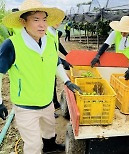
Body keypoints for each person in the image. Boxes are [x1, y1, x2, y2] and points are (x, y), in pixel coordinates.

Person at [0, 0, 81, 153]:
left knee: (49, 131)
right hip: (26, 106)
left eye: (44, 19)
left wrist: (67, 81)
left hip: (47, 102)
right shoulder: (12, 45)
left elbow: (55, 63)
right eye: (36, 20)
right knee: (34, 145)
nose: (42, 24)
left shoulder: (50, 42)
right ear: (23, 22)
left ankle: (50, 147)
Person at [91, 16, 129, 80]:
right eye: (121, 31)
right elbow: (106, 44)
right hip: (119, 63)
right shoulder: (115, 33)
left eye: (125, 31)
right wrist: (97, 56)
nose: (123, 33)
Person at [47, 25, 72, 114]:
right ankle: (49, 109)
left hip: (53, 62)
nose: (59, 22)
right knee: (47, 86)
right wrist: (62, 61)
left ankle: (55, 103)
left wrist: (66, 55)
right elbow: (47, 53)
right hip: (45, 64)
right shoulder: (45, 32)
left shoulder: (55, 32)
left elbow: (58, 45)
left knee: (53, 83)